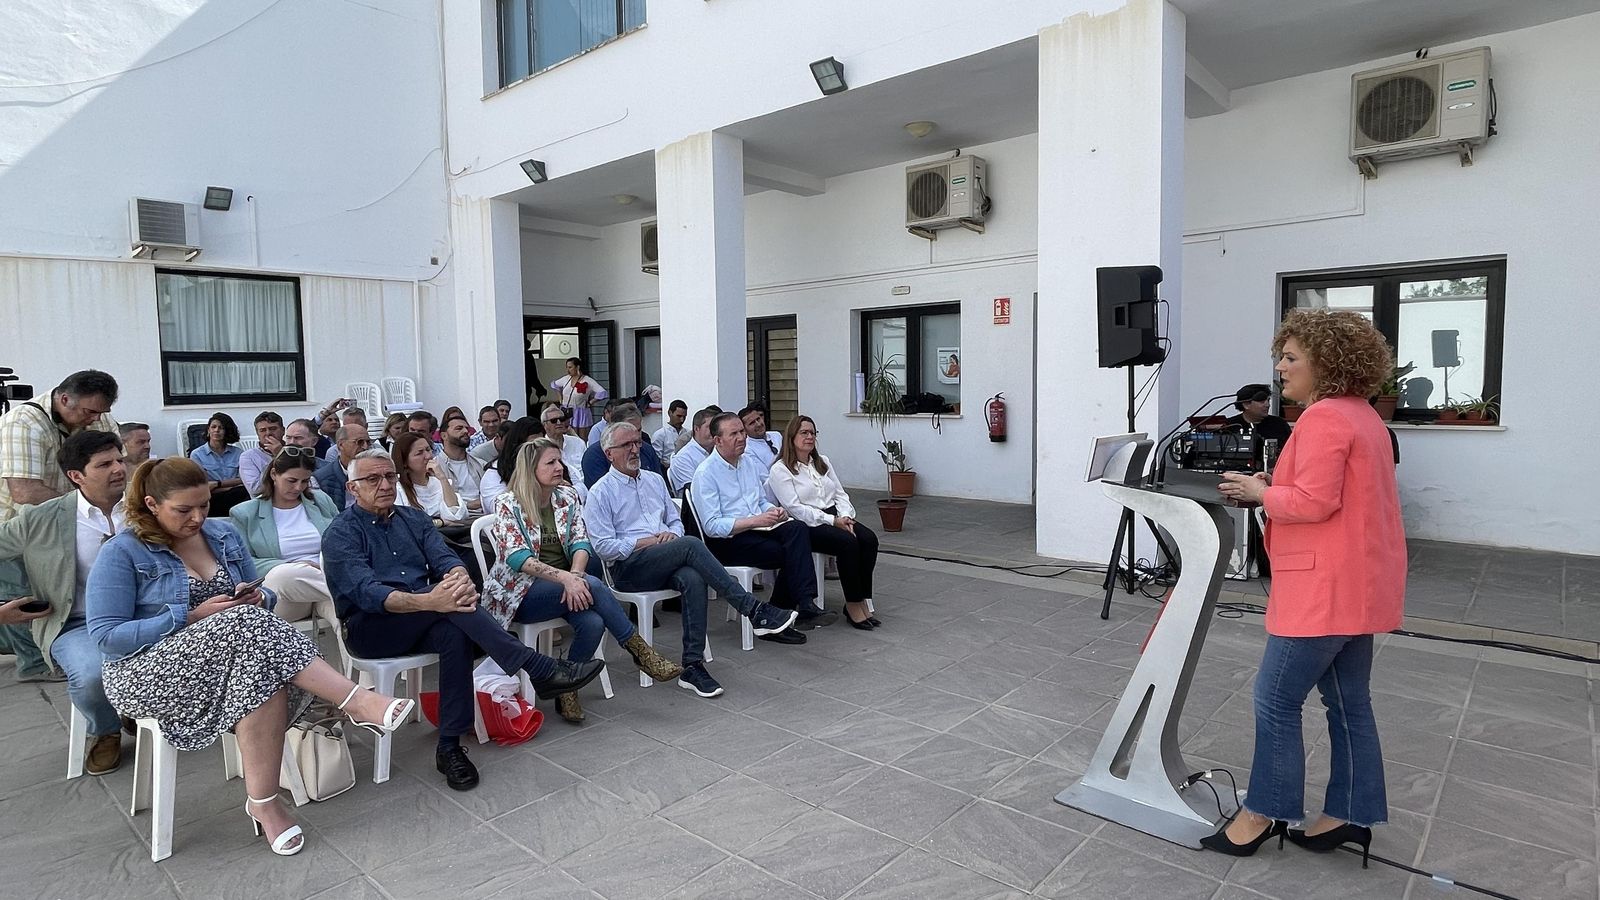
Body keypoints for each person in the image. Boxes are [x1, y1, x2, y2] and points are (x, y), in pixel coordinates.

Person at [88, 457, 415, 855]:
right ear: (152, 504)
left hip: (227, 655)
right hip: (145, 672)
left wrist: (262, 596)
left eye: (205, 506)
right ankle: (355, 700)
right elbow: (106, 637)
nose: (197, 518)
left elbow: (261, 600)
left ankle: (264, 804)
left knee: (260, 669)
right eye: (183, 510)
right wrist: (188, 616)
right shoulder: (123, 552)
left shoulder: (223, 534)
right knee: (245, 628)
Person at [1206, 308, 1407, 861]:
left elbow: (1315, 503)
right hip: (1361, 588)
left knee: (1274, 697)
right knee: (1349, 705)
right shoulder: (1362, 415)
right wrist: (1276, 482)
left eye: (1292, 357)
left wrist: (1257, 493)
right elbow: (1338, 492)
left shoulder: (1322, 418)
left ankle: (1262, 814)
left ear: (1328, 362)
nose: (1280, 368)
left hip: (1324, 592)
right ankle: (1348, 815)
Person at [323, 449, 603, 791]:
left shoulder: (413, 519)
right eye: (373, 479)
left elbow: (446, 558)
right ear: (353, 488)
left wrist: (458, 579)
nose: (385, 485)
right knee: (449, 610)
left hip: (427, 616)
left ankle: (449, 746)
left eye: (390, 477)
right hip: (371, 628)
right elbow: (368, 594)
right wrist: (432, 599)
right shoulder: (340, 533)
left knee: (452, 632)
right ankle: (538, 668)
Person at [587, 422, 802, 697]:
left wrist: (670, 535)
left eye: (638, 442)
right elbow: (605, 547)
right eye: (626, 445)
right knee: (690, 545)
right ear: (609, 454)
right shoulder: (600, 492)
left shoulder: (653, 480)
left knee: (692, 576)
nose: (635, 449)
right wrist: (651, 541)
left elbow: (675, 520)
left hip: (665, 555)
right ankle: (753, 611)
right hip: (629, 568)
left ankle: (692, 665)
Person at [484, 439, 683, 722]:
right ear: (531, 469)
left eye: (559, 461)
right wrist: (569, 578)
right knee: (595, 585)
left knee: (594, 622)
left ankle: (566, 688)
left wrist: (575, 577)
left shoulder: (566, 497)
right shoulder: (508, 503)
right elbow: (519, 559)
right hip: (519, 592)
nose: (559, 467)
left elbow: (581, 543)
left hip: (565, 586)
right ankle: (641, 652)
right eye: (550, 462)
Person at [0, 430, 128, 772]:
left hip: (139, 617)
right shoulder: (40, 518)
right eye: (105, 464)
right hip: (74, 622)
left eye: (119, 459)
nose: (118, 468)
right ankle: (106, 730)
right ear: (76, 476)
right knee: (90, 676)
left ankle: (140, 706)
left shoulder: (144, 507)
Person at [690, 413, 832, 629]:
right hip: (728, 541)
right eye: (734, 434)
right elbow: (712, 527)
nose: (741, 438)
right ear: (718, 440)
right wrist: (755, 520)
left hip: (758, 529)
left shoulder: (747, 462)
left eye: (742, 432)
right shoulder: (705, 473)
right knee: (790, 552)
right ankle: (785, 610)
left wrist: (774, 511)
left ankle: (800, 604)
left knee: (797, 529)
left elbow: (759, 501)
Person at [768, 415, 881, 629]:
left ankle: (864, 597)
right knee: (848, 543)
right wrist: (832, 520)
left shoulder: (823, 462)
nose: (810, 437)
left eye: (813, 433)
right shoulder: (780, 469)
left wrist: (846, 516)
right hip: (808, 523)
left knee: (869, 539)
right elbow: (795, 508)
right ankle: (853, 604)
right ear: (791, 437)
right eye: (804, 433)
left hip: (836, 516)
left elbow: (840, 493)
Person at [229, 448, 342, 634]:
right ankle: (358, 591)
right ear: (274, 474)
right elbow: (245, 564)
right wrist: (293, 564)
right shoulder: (245, 513)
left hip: (322, 586)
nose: (298, 487)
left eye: (305, 481)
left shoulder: (320, 500)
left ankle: (354, 663)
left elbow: (344, 540)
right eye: (292, 481)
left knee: (345, 618)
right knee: (282, 575)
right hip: (284, 595)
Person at [0, 368, 120, 522]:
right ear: (64, 400)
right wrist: (84, 509)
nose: (97, 419)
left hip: (76, 518)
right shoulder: (23, 422)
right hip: (24, 527)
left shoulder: (100, 417)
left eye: (102, 412)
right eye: (89, 412)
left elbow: (121, 466)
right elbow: (24, 492)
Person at [392, 432, 468, 524]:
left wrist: (442, 478)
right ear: (404, 461)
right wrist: (441, 522)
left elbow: (457, 516)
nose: (428, 456)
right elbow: (406, 524)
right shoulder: (397, 489)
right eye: (419, 453)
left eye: (428, 450)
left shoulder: (439, 483)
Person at [581, 402, 660, 488]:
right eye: (629, 430)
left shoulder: (647, 449)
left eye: (638, 430)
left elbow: (658, 485)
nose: (636, 435)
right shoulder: (594, 455)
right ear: (614, 427)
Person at [190, 412, 248, 517]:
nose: (216, 430)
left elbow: (244, 480)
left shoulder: (238, 453)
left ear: (227, 431)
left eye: (221, 428)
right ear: (208, 430)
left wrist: (217, 484)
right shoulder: (197, 455)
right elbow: (202, 485)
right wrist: (231, 487)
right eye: (213, 427)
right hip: (212, 498)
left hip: (237, 496)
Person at [480, 416, 543, 511]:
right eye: (531, 445)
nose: (538, 450)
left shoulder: (549, 466)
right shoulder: (493, 474)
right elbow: (502, 510)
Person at [436, 413, 487, 514]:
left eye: (466, 428)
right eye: (459, 428)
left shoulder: (481, 465)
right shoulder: (434, 467)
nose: (465, 431)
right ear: (444, 435)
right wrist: (468, 505)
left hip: (482, 518)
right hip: (451, 522)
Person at [550, 357, 607, 440]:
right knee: (566, 436)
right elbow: (555, 385)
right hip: (567, 411)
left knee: (581, 437)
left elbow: (602, 392)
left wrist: (591, 402)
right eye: (567, 367)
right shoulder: (566, 379)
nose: (568, 370)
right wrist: (560, 399)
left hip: (581, 411)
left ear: (577, 367)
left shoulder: (587, 380)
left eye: (570, 367)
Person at [667, 406, 719, 495]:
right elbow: (694, 494)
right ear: (696, 429)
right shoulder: (683, 458)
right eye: (710, 427)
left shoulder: (719, 451)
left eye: (717, 428)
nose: (715, 431)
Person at [239, 412, 285, 496]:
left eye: (273, 428)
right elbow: (256, 490)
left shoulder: (294, 451)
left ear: (283, 431)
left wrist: (281, 453)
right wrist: (278, 457)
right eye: (262, 430)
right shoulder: (248, 457)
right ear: (257, 434)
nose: (268, 433)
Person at [540, 403, 587, 477]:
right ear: (544, 425)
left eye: (562, 419)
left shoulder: (578, 443)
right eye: (554, 420)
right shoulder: (540, 448)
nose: (559, 423)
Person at [739, 404, 782, 475]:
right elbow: (764, 478)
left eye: (758, 419)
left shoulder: (776, 436)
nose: (758, 424)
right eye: (752, 423)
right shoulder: (748, 451)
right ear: (744, 430)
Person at [652, 400, 689, 470]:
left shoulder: (688, 433)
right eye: (679, 416)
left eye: (684, 417)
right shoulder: (660, 434)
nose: (682, 420)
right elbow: (656, 459)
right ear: (670, 413)